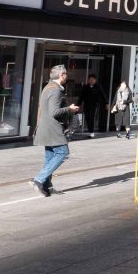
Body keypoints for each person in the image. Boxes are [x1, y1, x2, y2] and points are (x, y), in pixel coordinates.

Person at [30, 65, 79, 196]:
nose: (67, 77)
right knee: (63, 152)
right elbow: (55, 112)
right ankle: (38, 179)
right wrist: (70, 109)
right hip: (52, 128)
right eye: (66, 74)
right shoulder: (56, 90)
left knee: (50, 157)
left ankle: (47, 186)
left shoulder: (47, 87)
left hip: (45, 127)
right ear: (62, 75)